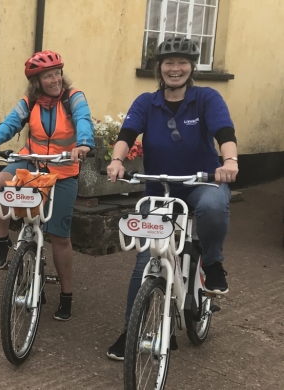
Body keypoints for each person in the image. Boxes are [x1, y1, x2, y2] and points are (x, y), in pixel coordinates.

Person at [105, 37, 236, 360]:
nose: (175, 68)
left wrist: (229, 161)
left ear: (191, 67)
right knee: (145, 263)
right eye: (168, 63)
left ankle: (213, 262)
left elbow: (224, 132)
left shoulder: (206, 98)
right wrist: (117, 160)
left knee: (212, 207)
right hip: (160, 189)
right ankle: (132, 330)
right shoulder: (147, 102)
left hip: (201, 181)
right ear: (159, 69)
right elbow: (127, 133)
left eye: (182, 62)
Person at [0, 50, 95, 321]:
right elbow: (10, 124)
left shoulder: (73, 97)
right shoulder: (29, 101)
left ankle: (66, 295)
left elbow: (83, 119)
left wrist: (83, 143)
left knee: (60, 236)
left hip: (64, 169)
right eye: (48, 76)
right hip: (32, 162)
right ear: (37, 81)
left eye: (57, 73)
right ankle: (1, 242)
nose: (55, 79)